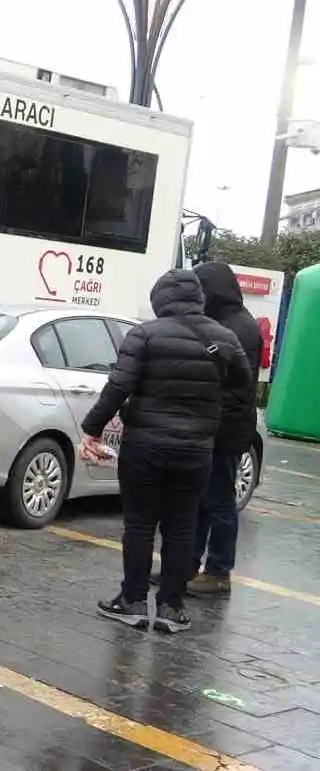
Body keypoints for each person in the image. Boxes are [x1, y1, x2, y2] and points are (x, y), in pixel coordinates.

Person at [80, 269, 250, 633]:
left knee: (140, 524)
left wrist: (91, 428)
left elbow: (119, 385)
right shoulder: (225, 339)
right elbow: (242, 387)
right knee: (182, 525)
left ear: (160, 299)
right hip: (196, 450)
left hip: (145, 446)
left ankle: (133, 600)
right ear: (198, 298)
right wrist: (207, 412)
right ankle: (172, 608)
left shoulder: (144, 334)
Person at [187, 262, 264, 597]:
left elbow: (236, 387)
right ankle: (188, 565)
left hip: (227, 430)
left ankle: (219, 572)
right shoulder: (224, 322)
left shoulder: (240, 329)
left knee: (219, 502)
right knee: (201, 500)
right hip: (214, 426)